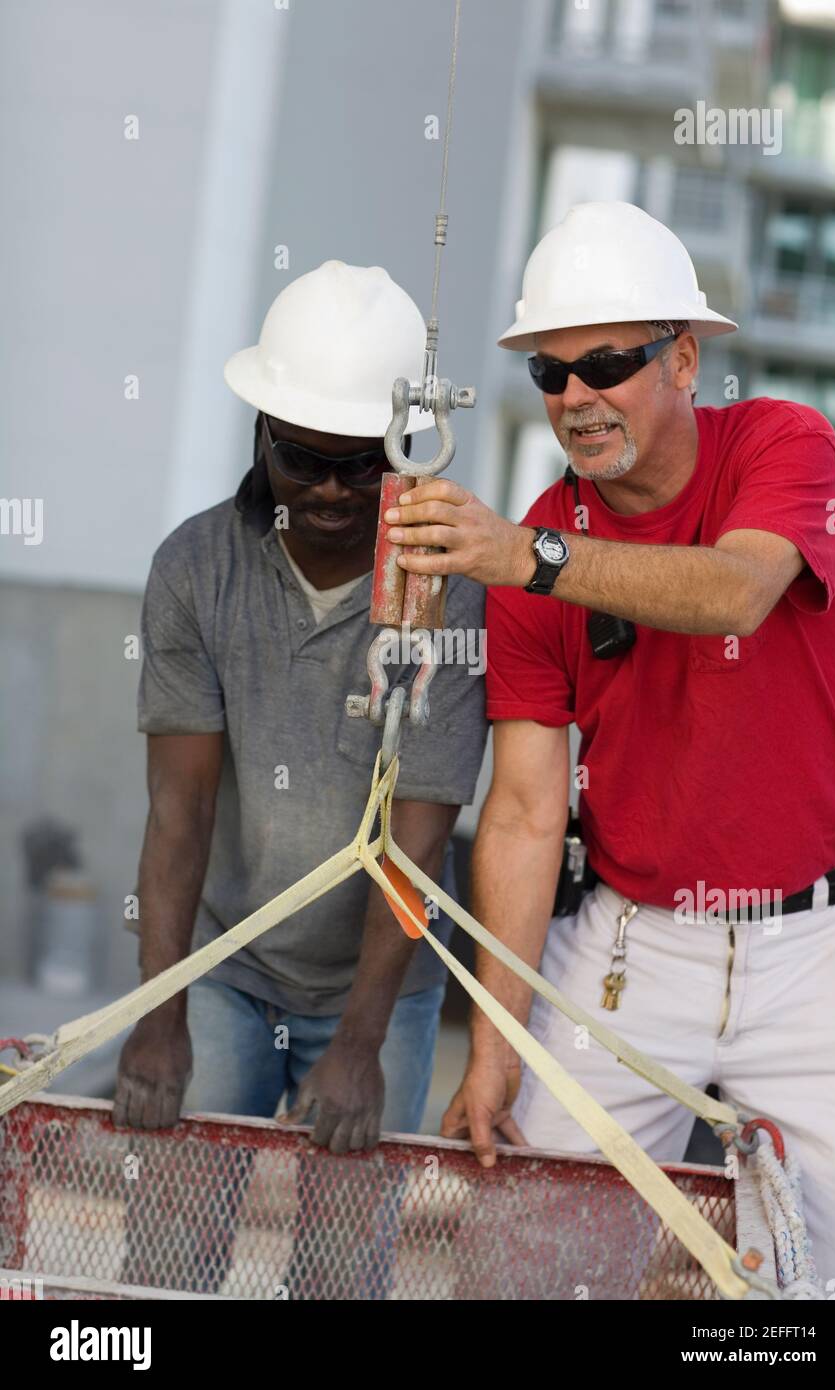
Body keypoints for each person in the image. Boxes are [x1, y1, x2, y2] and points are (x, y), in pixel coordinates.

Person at [381, 201, 835, 1287]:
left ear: (684, 359)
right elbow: (517, 813)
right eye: (549, 376)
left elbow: (736, 590)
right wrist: (492, 1046)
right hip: (629, 945)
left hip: (824, 943)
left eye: (604, 362)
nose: (575, 398)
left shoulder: (783, 443)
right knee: (529, 1256)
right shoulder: (530, 547)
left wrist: (527, 555)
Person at [113, 259, 487, 1153]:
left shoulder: (451, 593)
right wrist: (159, 1014)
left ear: (406, 450)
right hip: (222, 964)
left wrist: (361, 1044)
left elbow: (421, 836)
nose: (328, 490)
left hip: (381, 991)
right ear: (260, 433)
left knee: (345, 1267)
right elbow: (180, 809)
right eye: (301, 458)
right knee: (178, 1239)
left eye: (359, 466)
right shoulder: (195, 569)